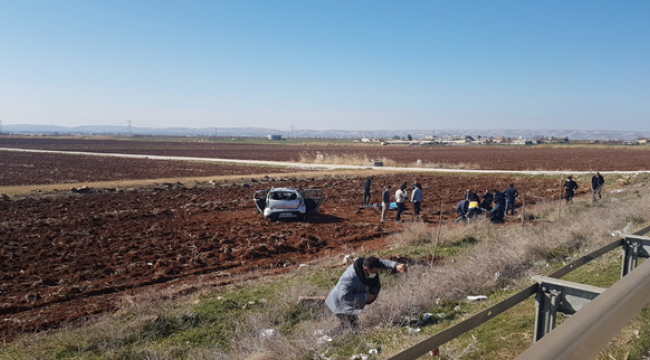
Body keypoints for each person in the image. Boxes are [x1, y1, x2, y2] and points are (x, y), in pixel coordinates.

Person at [325, 256, 408, 334]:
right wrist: (365, 297)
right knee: (352, 327)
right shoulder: (349, 278)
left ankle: (329, 337)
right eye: (374, 273)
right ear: (365, 269)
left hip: (349, 302)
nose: (376, 274)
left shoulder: (368, 264)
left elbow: (381, 263)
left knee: (350, 325)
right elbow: (344, 296)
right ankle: (328, 338)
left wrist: (396, 266)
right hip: (340, 304)